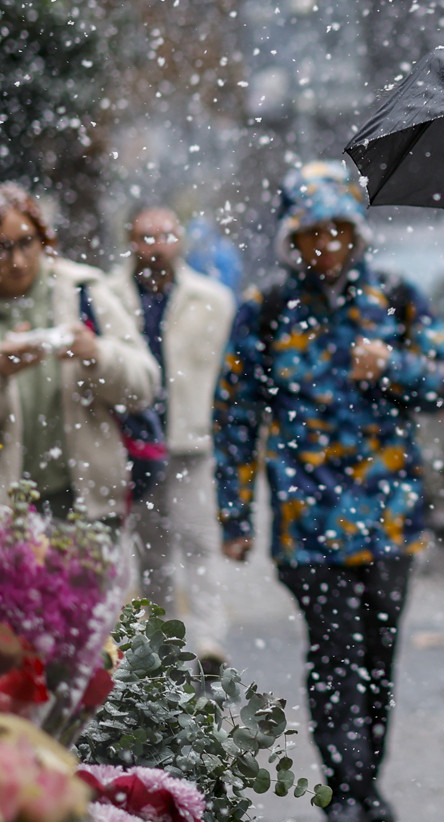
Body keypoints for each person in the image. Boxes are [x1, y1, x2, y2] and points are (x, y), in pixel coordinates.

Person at [212, 160, 444, 822]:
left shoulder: (398, 299)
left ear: (357, 234)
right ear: (293, 236)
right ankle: (346, 797)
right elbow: (234, 415)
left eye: (338, 231)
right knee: (334, 658)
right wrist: (233, 517)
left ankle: (365, 777)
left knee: (377, 660)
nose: (325, 246)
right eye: (312, 233)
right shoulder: (265, 310)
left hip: (389, 519)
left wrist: (394, 368)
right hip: (308, 524)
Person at [114, 205, 235, 675]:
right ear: (131, 241)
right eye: (145, 237)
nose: (154, 246)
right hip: (138, 443)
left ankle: (208, 640)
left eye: (163, 236)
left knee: (200, 540)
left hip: (191, 439)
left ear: (179, 241)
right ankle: (166, 644)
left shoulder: (212, 300)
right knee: (153, 551)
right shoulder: (110, 296)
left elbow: (229, 373)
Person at [0, 182, 160, 526]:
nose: (17, 261)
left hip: (86, 505)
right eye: (3, 248)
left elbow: (144, 385)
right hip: (7, 514)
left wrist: (97, 356)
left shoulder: (82, 291)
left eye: (27, 242)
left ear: (43, 238)